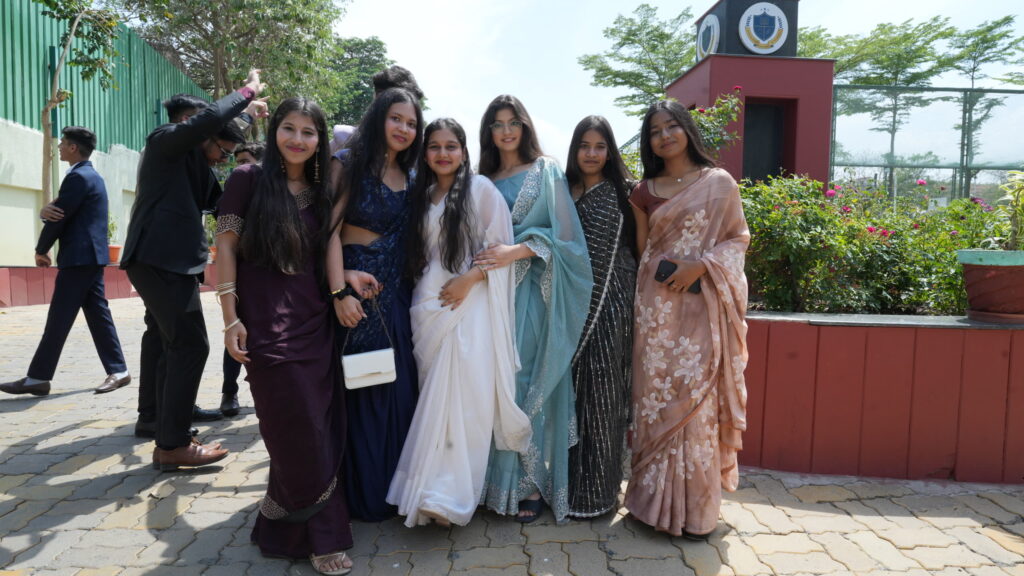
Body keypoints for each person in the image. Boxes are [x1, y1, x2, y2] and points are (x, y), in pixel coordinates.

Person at [216, 97, 353, 576]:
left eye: (308, 132)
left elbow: (329, 246)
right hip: (264, 323)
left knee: (315, 423)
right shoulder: (246, 179)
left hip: (314, 321)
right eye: (289, 128)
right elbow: (225, 246)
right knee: (291, 422)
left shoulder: (321, 192)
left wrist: (342, 288)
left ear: (320, 140)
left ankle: (281, 520)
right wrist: (231, 318)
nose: (298, 139)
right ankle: (326, 536)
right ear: (274, 131)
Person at [386, 118, 531, 527]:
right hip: (427, 306)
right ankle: (427, 486)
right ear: (425, 153)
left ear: (464, 152)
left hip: (471, 304)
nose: (443, 153)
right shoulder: (421, 195)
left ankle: (448, 498)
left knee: (465, 400)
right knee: (433, 399)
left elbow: (500, 248)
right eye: (434, 146)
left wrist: (468, 280)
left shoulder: (480, 189)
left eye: (451, 146)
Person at [122, 70, 267, 470]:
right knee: (191, 346)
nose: (223, 158)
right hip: (160, 260)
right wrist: (248, 92)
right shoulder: (165, 141)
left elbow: (222, 202)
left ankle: (160, 423)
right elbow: (212, 122)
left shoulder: (192, 163)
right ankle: (173, 445)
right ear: (194, 126)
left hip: (169, 263)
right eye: (221, 149)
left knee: (170, 344)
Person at [625, 100, 749, 538]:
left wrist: (701, 267)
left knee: (694, 402)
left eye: (672, 126)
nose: (664, 136)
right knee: (654, 401)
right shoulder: (643, 191)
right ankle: (649, 506)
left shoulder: (718, 183)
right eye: (655, 131)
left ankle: (695, 513)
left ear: (687, 130)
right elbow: (643, 252)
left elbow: (737, 239)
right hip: (656, 310)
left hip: (702, 307)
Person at [475, 95, 593, 524]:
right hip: (486, 294)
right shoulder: (481, 179)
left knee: (521, 381)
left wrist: (517, 250)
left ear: (525, 126)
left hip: (530, 292)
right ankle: (487, 482)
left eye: (514, 122)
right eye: (498, 124)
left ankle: (527, 485)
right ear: (488, 132)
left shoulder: (546, 171)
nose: (506, 131)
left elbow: (568, 240)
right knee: (489, 383)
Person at [329, 87, 422, 521]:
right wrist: (338, 292)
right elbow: (327, 233)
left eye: (412, 123)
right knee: (361, 384)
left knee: (398, 388)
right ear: (378, 117)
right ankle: (359, 494)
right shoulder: (348, 163)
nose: (404, 128)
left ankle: (394, 490)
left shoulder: (414, 175)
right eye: (396, 118)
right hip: (357, 292)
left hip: (398, 293)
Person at [0, 127, 131, 398]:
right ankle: (119, 371)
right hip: (89, 258)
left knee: (59, 318)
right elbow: (57, 209)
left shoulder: (78, 177)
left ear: (73, 148)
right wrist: (43, 212)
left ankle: (38, 378)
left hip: (79, 259)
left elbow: (58, 216)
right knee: (98, 315)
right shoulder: (90, 176)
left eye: (62, 143)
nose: (59, 147)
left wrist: (41, 249)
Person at [564, 116, 637, 518]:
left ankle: (600, 493)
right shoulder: (564, 191)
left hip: (612, 304)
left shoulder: (624, 192)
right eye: (584, 146)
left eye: (599, 146)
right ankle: (568, 486)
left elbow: (638, 249)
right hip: (569, 306)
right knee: (573, 398)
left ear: (610, 151)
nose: (591, 154)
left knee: (604, 398)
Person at [218, 140, 264, 417]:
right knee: (236, 333)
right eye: (238, 162)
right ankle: (229, 390)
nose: (241, 167)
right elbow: (226, 240)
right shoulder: (238, 186)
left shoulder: (275, 186)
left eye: (246, 161)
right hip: (241, 278)